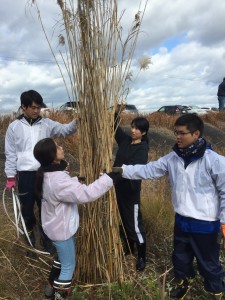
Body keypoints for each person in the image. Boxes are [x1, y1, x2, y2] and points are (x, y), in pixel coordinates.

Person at [113, 114, 225, 300]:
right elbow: (149, 169)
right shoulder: (173, 158)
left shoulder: (214, 161)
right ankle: (183, 283)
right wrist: (124, 170)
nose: (177, 137)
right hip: (181, 220)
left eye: (182, 133)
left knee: (209, 262)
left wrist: (224, 222)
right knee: (180, 257)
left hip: (205, 224)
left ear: (196, 134)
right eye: (176, 133)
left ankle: (215, 291)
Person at [33, 138, 116, 299]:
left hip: (55, 226)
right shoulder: (58, 180)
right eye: (57, 147)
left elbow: (61, 189)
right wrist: (108, 179)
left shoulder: (46, 173)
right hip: (60, 230)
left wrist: (75, 181)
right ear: (52, 155)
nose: (61, 147)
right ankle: (60, 295)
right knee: (68, 266)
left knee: (61, 258)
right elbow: (87, 194)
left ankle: (50, 288)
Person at [4, 90, 77, 255]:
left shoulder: (46, 124)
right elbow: (10, 153)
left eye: (39, 107)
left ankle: (47, 242)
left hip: (45, 174)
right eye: (33, 107)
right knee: (27, 211)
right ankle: (30, 243)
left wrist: (76, 122)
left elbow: (65, 130)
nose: (37, 111)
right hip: (25, 176)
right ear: (23, 107)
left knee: (47, 209)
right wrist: (10, 176)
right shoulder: (14, 127)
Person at [113, 113, 149, 271]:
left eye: (137, 129)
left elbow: (135, 170)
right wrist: (115, 112)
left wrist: (115, 173)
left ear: (144, 132)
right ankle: (129, 247)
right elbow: (115, 128)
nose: (133, 130)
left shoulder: (142, 149)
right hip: (118, 188)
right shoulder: (125, 140)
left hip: (130, 191)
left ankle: (142, 256)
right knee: (123, 220)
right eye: (133, 127)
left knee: (134, 223)